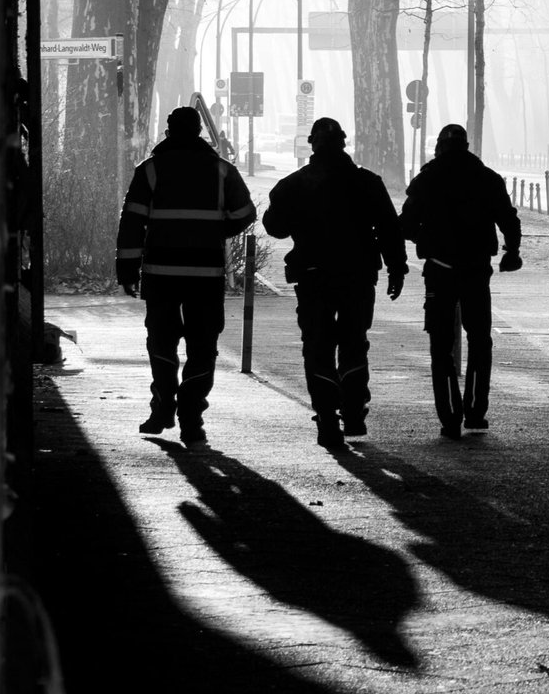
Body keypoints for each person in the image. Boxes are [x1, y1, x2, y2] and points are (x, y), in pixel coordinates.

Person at [262, 117, 408, 451]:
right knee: (354, 341)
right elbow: (389, 228)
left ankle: (327, 420)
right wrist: (397, 269)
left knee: (318, 345)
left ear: (312, 144)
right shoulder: (367, 182)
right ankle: (354, 412)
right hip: (357, 277)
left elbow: (274, 227)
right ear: (344, 143)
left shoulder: (293, 184)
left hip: (313, 277)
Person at [116, 105, 257, 444]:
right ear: (199, 133)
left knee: (162, 344)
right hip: (205, 277)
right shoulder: (222, 170)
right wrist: (214, 232)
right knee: (202, 347)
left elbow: (132, 222)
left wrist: (127, 270)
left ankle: (162, 409)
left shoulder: (149, 170)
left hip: (160, 276)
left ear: (168, 132)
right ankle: (191, 418)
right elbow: (245, 213)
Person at [400, 123, 522, 439]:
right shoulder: (487, 179)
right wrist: (512, 251)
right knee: (480, 339)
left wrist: (421, 237)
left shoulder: (427, 178)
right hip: (476, 270)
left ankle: (450, 416)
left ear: (439, 146)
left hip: (439, 270)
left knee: (441, 345)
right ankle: (476, 411)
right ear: (467, 146)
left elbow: (406, 223)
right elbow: (509, 219)